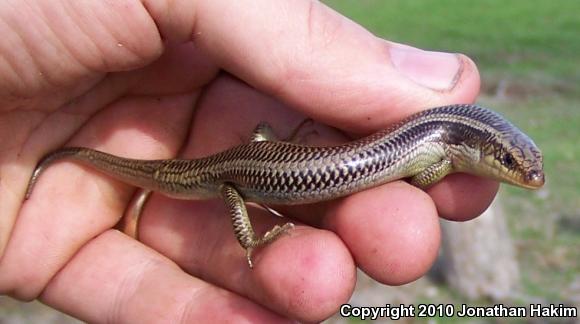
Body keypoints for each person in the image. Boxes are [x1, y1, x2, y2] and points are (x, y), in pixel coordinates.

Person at [0, 1, 498, 322]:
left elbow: (427, 171)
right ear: (480, 148)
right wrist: (251, 236)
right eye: (511, 163)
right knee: (245, 210)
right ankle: (252, 240)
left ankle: (69, 156)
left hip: (258, 153)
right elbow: (428, 173)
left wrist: (272, 141)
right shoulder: (440, 148)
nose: (523, 176)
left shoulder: (438, 138)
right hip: (235, 177)